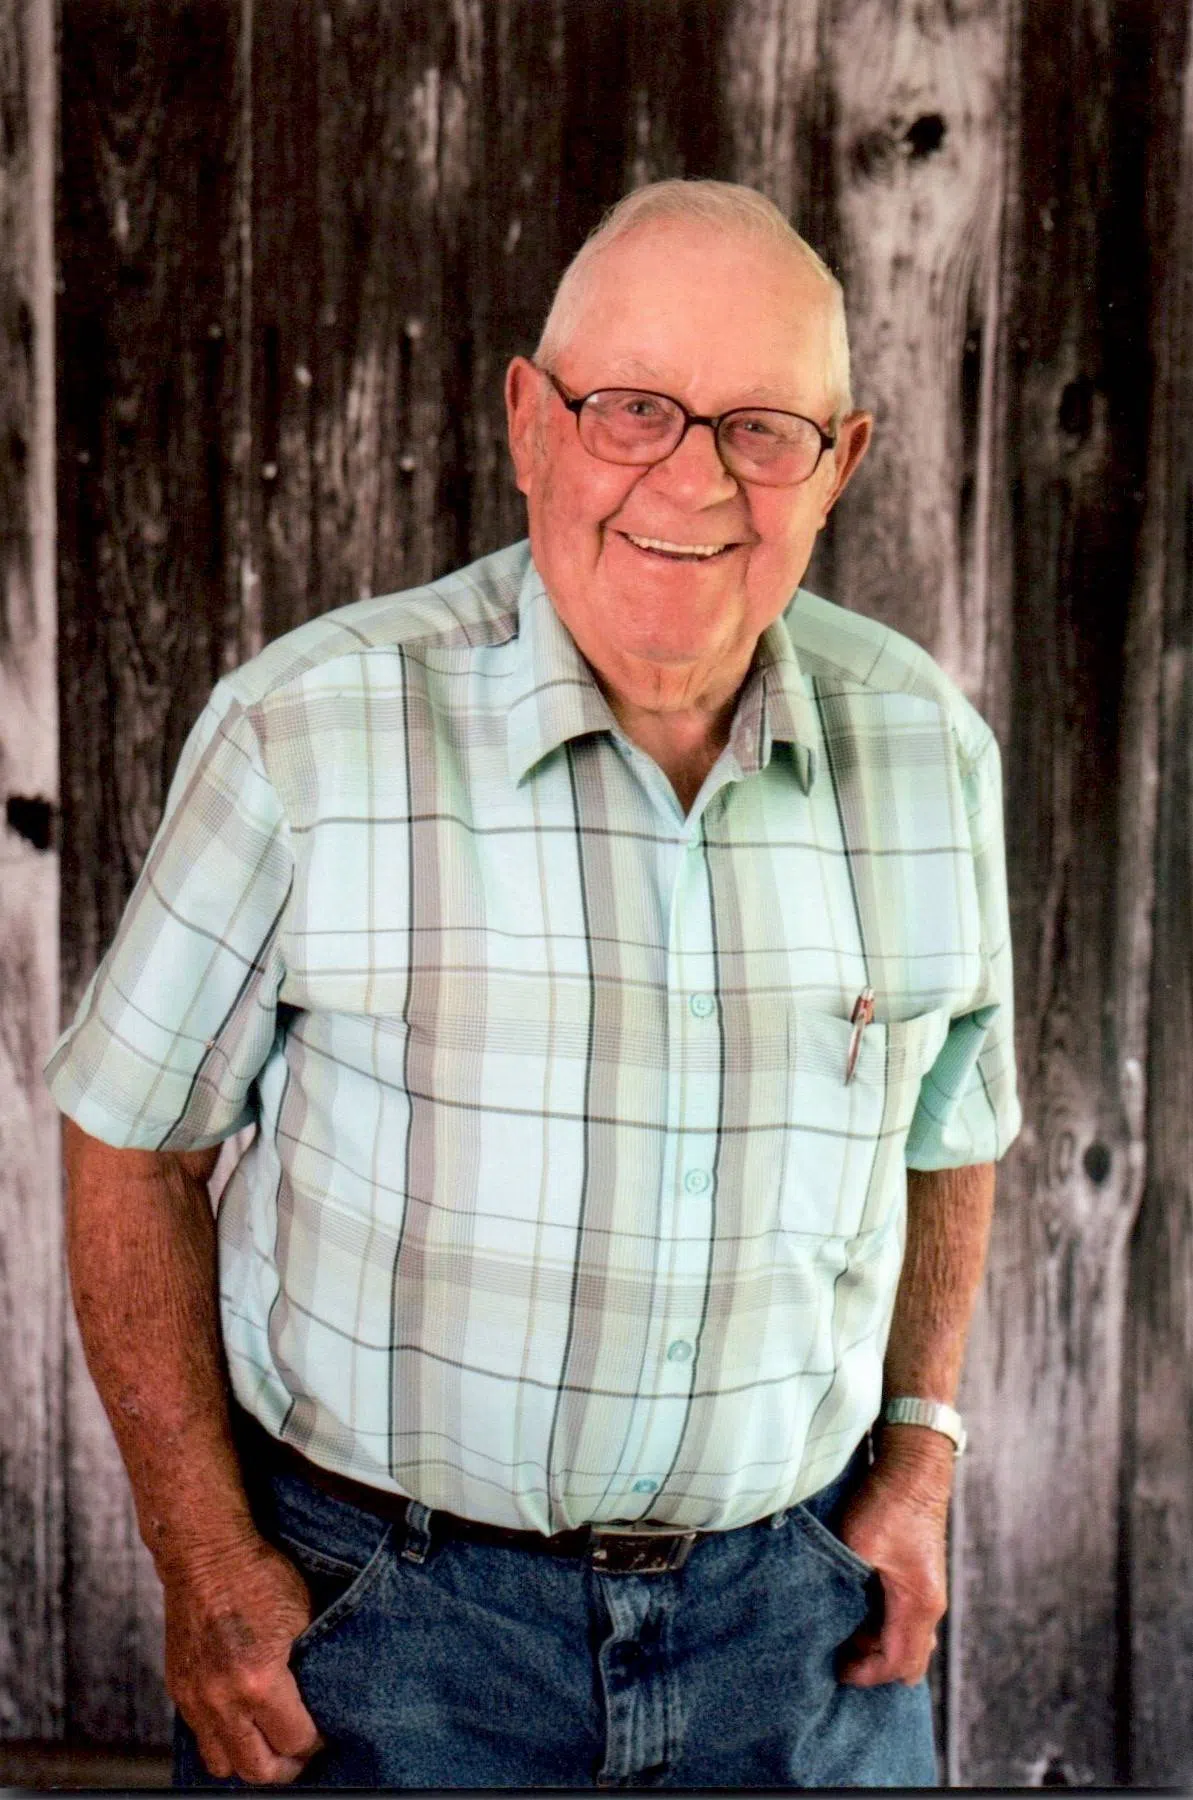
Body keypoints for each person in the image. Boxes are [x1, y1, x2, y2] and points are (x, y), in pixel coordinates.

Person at [47, 179, 1020, 1789]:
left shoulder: (926, 750)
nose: (690, 478)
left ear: (839, 462)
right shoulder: (308, 733)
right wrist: (204, 1560)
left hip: (799, 1639)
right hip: (384, 1637)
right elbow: (130, 1146)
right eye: (631, 409)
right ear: (528, 423)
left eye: (762, 428)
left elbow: (950, 1130)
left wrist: (918, 1460)